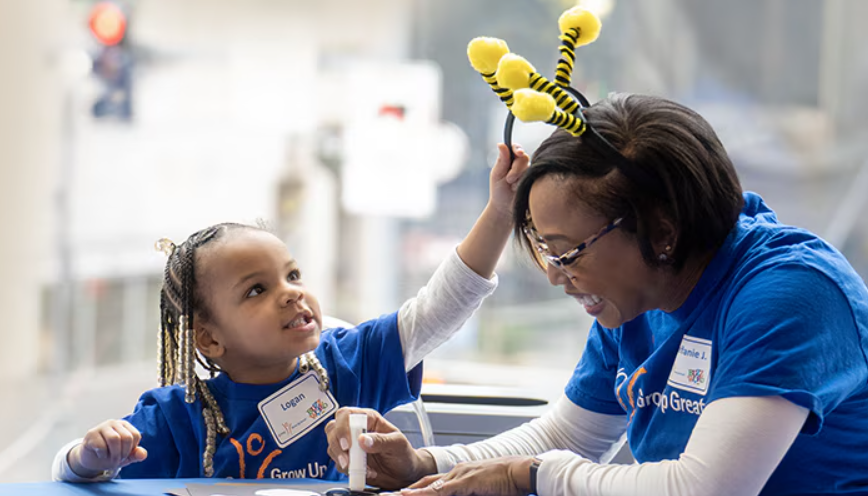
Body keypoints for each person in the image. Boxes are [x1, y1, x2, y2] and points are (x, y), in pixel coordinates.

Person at [324, 93, 868, 496]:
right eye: (542, 249)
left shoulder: (791, 293)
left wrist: (527, 477)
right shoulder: (635, 298)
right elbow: (572, 435)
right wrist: (426, 467)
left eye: (566, 251)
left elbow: (706, 488)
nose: (555, 276)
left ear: (662, 231)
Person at [50, 142, 530, 482]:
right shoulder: (176, 416)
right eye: (256, 290)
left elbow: (440, 308)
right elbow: (75, 472)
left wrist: (500, 212)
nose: (290, 293)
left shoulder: (348, 363)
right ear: (210, 340)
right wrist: (88, 457)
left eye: (293, 276)